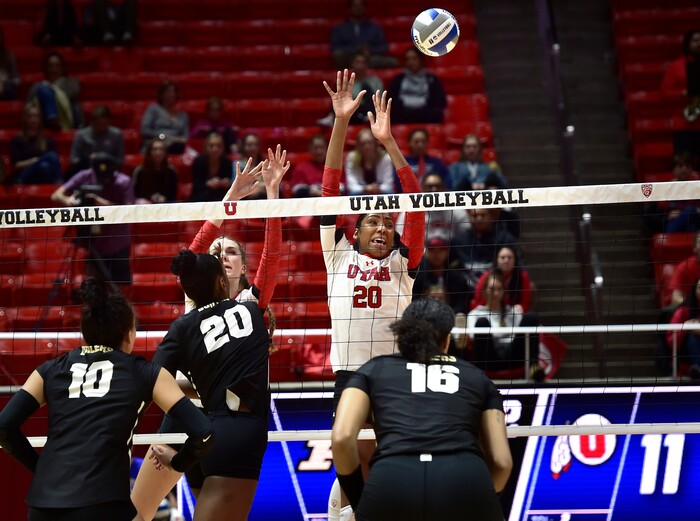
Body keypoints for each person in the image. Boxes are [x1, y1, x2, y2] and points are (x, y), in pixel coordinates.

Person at [131, 148, 289, 521]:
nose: (222, 254)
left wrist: (271, 198)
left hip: (224, 426)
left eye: (231, 251)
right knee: (139, 512)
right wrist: (229, 200)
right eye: (217, 251)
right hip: (185, 418)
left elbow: (273, 256)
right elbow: (193, 252)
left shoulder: (252, 302)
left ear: (241, 266)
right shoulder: (195, 294)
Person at [0, 277, 215, 520]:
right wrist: (177, 463)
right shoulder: (146, 373)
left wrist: (40, 470)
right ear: (129, 334)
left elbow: (3, 427)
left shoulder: (49, 370)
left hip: (44, 506)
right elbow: (204, 432)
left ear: (85, 333)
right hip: (103, 504)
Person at [321, 70, 425, 521]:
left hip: (392, 376)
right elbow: (327, 192)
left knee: (390, 468)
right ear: (355, 231)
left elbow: (416, 202)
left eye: (387, 222)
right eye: (372, 222)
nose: (383, 227)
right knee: (354, 466)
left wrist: (388, 142)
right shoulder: (337, 256)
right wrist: (342, 122)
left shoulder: (404, 264)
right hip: (349, 376)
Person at [332, 298, 512, 521]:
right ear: (447, 340)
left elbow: (341, 438)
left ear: (401, 337)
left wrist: (362, 501)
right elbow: (502, 462)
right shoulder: (477, 377)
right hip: (463, 478)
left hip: (392, 481)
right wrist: (480, 499)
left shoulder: (371, 370)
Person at [134, 249, 273, 521]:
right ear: (222, 282)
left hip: (199, 432)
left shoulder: (182, 327)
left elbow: (153, 381)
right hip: (239, 435)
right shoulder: (252, 311)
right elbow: (272, 259)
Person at [51, 152, 134, 286]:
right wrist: (69, 200)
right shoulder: (85, 176)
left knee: (120, 286)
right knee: (95, 286)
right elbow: (56, 195)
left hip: (117, 242)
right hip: (92, 242)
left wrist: (99, 202)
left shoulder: (123, 181)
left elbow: (129, 211)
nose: (105, 180)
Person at [467, 271, 543, 380]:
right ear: (484, 291)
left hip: (514, 356)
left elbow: (524, 336)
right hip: (490, 358)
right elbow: (475, 340)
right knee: (482, 322)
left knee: (530, 317)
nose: (496, 293)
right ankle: (479, 377)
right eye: (492, 289)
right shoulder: (475, 314)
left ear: (504, 292)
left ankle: (534, 367)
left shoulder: (512, 312)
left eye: (499, 289)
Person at [452, 208, 518, 297]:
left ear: (491, 216)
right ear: (468, 216)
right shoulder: (459, 241)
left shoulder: (505, 239)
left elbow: (518, 266)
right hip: (466, 295)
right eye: (475, 215)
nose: (479, 218)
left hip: (497, 294)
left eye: (483, 215)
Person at [660, 29, 700, 159]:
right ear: (688, 43)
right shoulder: (676, 66)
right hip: (684, 124)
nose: (699, 43)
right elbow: (665, 94)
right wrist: (682, 93)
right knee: (684, 165)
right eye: (695, 40)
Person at [317, 51, 384, 127]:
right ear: (352, 64)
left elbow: (380, 99)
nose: (360, 65)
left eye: (363, 62)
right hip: (352, 112)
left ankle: (370, 116)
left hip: (370, 111)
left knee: (366, 88)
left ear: (367, 65)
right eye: (357, 62)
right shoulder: (347, 83)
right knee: (340, 94)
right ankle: (331, 116)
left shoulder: (375, 81)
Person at [412, 229, 470, 314]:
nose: (436, 254)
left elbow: (461, 305)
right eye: (432, 250)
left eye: (441, 249)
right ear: (426, 252)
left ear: (447, 252)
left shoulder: (458, 278)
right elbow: (413, 302)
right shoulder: (417, 277)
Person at [643, 152, 700, 235]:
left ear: (691, 170)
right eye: (680, 166)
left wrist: (682, 213)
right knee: (690, 210)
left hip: (694, 224)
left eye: (687, 167)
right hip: (672, 226)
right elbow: (656, 213)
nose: (684, 169)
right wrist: (666, 217)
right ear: (674, 170)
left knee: (691, 213)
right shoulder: (666, 188)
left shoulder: (697, 187)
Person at [387, 47, 447, 125]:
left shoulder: (432, 79)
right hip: (403, 114)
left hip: (425, 114)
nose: (411, 62)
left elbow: (442, 102)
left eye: (414, 58)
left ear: (421, 60)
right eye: (407, 59)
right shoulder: (398, 80)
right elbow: (390, 100)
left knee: (436, 113)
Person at [331, 0, 397, 69]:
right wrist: (356, 50)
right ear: (350, 8)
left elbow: (383, 47)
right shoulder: (339, 28)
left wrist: (369, 50)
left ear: (364, 8)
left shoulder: (375, 27)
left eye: (360, 5)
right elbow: (335, 48)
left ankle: (362, 67)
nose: (358, 8)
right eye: (355, 6)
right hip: (349, 59)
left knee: (392, 61)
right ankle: (353, 70)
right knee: (338, 54)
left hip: (369, 58)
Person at [9, 102, 62, 184]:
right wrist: (33, 161)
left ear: (40, 119)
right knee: (51, 156)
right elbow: (16, 165)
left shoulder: (47, 140)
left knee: (44, 166)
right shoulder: (17, 140)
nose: (33, 120)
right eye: (30, 116)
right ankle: (60, 183)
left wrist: (39, 162)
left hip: (44, 174)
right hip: (23, 176)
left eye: (36, 116)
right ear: (25, 118)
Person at [26, 52, 83, 130]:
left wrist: (50, 90)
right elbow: (28, 104)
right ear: (46, 68)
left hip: (65, 118)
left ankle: (53, 118)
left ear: (62, 68)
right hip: (42, 120)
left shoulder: (70, 82)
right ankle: (52, 119)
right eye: (50, 66)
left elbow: (73, 93)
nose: (54, 69)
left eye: (57, 65)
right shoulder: (38, 86)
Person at [472, 245, 534, 313]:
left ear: (515, 260)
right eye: (502, 257)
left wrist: (520, 309)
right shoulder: (487, 277)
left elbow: (525, 303)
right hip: (490, 313)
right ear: (497, 260)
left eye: (509, 258)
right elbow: (478, 300)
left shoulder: (523, 276)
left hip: (513, 315)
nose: (506, 260)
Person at [68, 104, 125, 178]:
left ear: (109, 122)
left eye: (104, 124)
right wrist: (88, 159)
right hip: (86, 172)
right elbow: (73, 159)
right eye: (98, 124)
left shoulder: (116, 135)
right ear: (92, 121)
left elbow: (120, 161)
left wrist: (104, 157)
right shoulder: (81, 135)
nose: (101, 127)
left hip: (109, 174)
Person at [140, 80, 189, 154]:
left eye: (174, 91)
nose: (171, 94)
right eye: (168, 91)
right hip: (156, 143)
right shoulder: (153, 109)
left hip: (175, 146)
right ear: (161, 94)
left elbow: (185, 137)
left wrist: (171, 138)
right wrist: (162, 136)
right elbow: (145, 130)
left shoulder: (183, 115)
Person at [667, 276, 700, 379]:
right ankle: (697, 368)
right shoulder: (682, 311)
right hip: (686, 359)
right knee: (692, 337)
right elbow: (671, 341)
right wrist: (685, 327)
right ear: (695, 290)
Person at [344, 128, 394, 195]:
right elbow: (351, 185)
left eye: (370, 143)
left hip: (381, 191)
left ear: (375, 144)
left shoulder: (385, 158)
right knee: (352, 194)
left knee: (390, 193)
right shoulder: (352, 158)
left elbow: (388, 185)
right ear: (358, 146)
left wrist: (376, 189)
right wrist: (366, 188)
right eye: (363, 144)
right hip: (361, 191)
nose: (367, 146)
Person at [190, 132, 233, 202]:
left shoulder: (227, 162)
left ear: (223, 148)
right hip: (201, 196)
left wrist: (226, 183)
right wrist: (207, 183)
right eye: (211, 146)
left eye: (218, 146)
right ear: (206, 147)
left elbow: (229, 183)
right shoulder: (199, 161)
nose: (215, 149)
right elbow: (196, 185)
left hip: (220, 196)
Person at [132, 138, 178, 204]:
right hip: (145, 204)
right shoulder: (140, 171)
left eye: (161, 150)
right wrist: (151, 197)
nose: (158, 152)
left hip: (165, 203)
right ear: (149, 152)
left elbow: (173, 195)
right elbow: (136, 193)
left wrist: (164, 199)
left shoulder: (171, 172)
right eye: (155, 149)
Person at [233, 133, 267, 199]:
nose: (253, 148)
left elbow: (277, 186)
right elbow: (235, 187)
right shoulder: (238, 165)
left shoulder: (265, 164)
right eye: (249, 145)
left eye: (255, 145)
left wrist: (260, 187)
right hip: (245, 199)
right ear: (243, 147)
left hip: (264, 199)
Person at [0, 27, 19, 100]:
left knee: (9, 90)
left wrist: (4, 83)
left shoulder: (9, 56)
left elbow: (16, 80)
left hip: (6, 89)